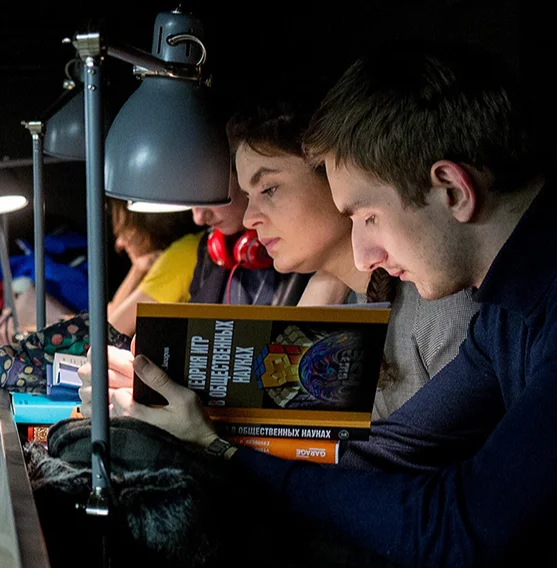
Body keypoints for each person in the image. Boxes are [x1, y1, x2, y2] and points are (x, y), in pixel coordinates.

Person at [105, 46, 557, 568]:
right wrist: (209, 435)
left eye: (368, 216)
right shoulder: (509, 306)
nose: (364, 256)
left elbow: (461, 533)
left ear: (452, 189)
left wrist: (225, 452)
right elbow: (389, 450)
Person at [230, 91, 478, 422]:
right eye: (248, 196)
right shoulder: (342, 301)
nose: (249, 219)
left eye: (269, 189)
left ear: (335, 178)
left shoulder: (439, 298)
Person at [188, 161, 308, 306]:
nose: (198, 219)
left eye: (207, 194)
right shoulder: (208, 251)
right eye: (190, 200)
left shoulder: (307, 249)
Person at [106, 198, 200, 336]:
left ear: (150, 223)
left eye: (125, 229)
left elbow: (108, 332)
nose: (119, 244)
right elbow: (108, 315)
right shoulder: (191, 247)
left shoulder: (180, 255)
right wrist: (137, 270)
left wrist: (136, 272)